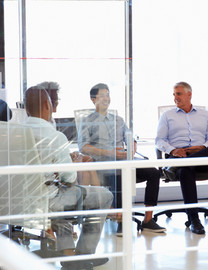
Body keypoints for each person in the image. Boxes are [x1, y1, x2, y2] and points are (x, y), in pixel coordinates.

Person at [24, 86, 113, 270]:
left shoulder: (15, 133)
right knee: (104, 195)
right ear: (46, 106)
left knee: (64, 197)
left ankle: (70, 254)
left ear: (26, 108)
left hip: (22, 199)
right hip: (49, 200)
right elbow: (70, 178)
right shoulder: (54, 136)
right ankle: (83, 255)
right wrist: (69, 163)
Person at [78, 83, 166, 234]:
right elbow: (83, 147)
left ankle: (148, 220)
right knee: (121, 173)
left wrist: (132, 147)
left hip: (124, 161)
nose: (106, 98)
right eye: (102, 96)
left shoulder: (118, 120)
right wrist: (109, 152)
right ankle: (122, 220)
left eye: (108, 95)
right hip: (103, 164)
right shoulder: (87, 121)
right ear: (93, 100)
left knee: (154, 173)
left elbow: (130, 137)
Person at [155, 81, 208, 235]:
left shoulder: (205, 115)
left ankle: (183, 164)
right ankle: (194, 220)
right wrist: (173, 150)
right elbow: (159, 141)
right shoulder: (167, 116)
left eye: (178, 94)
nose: (175, 98)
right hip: (179, 155)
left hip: (200, 156)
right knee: (186, 170)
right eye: (174, 95)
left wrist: (202, 147)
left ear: (189, 94)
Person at [37, 81, 100, 186]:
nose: (56, 102)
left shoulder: (51, 120)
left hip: (56, 160)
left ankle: (91, 199)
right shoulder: (42, 124)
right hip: (52, 169)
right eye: (54, 99)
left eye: (57, 99)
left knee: (87, 160)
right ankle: (88, 197)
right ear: (45, 102)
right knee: (84, 170)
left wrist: (70, 155)